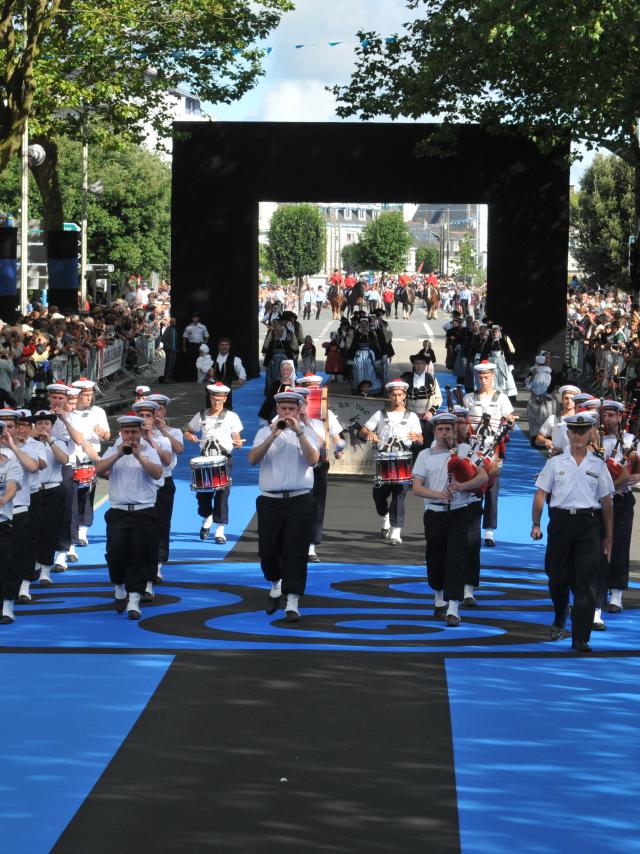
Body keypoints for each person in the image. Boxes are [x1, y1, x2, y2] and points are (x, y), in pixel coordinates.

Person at [531, 412, 614, 652]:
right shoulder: (555, 463)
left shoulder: (598, 465)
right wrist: (535, 524)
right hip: (560, 524)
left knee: (585, 584)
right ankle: (560, 615)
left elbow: (607, 503)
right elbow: (540, 494)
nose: (578, 436)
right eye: (574, 432)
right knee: (557, 579)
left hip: (589, 525)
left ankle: (580, 638)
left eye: (583, 431)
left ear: (590, 434)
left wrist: (609, 537)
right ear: (567, 434)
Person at [248, 390, 319, 622]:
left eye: (291, 409)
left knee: (296, 551)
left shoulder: (308, 432)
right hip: (270, 500)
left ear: (299, 410)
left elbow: (312, 460)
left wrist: (299, 432)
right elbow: (252, 460)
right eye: (283, 409)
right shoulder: (263, 432)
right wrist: (273, 435)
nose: (287, 413)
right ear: (277, 410)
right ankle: (276, 583)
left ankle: (293, 600)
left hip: (300, 498)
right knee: (268, 552)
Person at [412, 412, 488, 626]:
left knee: (456, 558)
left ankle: (453, 607)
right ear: (434, 432)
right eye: (440, 429)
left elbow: (483, 475)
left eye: (448, 429)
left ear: (454, 431)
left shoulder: (464, 450)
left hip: (459, 511)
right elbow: (417, 487)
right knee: (435, 558)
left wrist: (463, 487)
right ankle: (438, 598)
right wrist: (439, 494)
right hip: (435, 513)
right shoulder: (425, 455)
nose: (445, 433)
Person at [95, 414, 162, 619]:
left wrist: (138, 455)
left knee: (139, 555)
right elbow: (98, 469)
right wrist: (119, 454)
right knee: (115, 553)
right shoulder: (113, 449)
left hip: (143, 511)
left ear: (141, 432)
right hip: (118, 511)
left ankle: (134, 599)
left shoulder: (150, 450)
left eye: (134, 432)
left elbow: (157, 473)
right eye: (126, 432)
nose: (130, 436)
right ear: (121, 433)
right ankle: (119, 586)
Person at [593, 400, 640, 628]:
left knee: (619, 546)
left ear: (620, 417)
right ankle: (595, 597)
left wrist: (636, 476)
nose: (608, 419)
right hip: (597, 501)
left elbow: (637, 469)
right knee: (598, 548)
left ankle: (616, 595)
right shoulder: (595, 439)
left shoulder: (630, 441)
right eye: (605, 415)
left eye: (612, 415)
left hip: (621, 500)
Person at [359, 379, 423, 544]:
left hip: (403, 460)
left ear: (405, 396)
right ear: (389, 396)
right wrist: (369, 434)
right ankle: (385, 515)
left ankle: (396, 531)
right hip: (384, 459)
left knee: (399, 496)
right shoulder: (380, 415)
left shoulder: (412, 416)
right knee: (378, 495)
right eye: (393, 394)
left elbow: (421, 439)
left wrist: (417, 437)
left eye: (399, 395)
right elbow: (363, 430)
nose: (396, 397)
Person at [184, 382, 244, 543]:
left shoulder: (232, 417)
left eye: (219, 399)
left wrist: (238, 443)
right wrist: (190, 436)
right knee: (203, 495)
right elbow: (188, 431)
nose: (216, 402)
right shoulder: (201, 415)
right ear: (209, 398)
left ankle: (220, 530)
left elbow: (237, 439)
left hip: (224, 459)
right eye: (213, 399)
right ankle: (207, 517)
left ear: (225, 399)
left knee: (222, 494)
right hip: (204, 459)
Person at [463, 361, 515, 546]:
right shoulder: (468, 398)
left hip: (493, 449)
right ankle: (472, 524)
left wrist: (510, 423)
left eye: (487, 376)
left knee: (492, 489)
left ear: (493, 376)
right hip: (473, 449)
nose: (483, 380)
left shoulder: (502, 398)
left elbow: (510, 422)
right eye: (481, 377)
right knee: (472, 486)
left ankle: (489, 531)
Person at [296, 374, 346, 562]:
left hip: (318, 464)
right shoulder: (285, 412)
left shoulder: (326, 414)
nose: (312, 392)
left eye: (316, 388)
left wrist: (339, 448)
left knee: (316, 504)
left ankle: (311, 546)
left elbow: (337, 438)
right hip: (294, 464)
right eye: (308, 389)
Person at [7, 409, 45, 606]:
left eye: (11, 427)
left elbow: (33, 467)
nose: (7, 430)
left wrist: (13, 447)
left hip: (21, 508)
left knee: (22, 551)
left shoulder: (28, 448)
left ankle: (23, 586)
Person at [145, 393, 184, 581]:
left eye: (160, 408)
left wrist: (161, 428)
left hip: (165, 481)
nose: (157, 412)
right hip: (143, 482)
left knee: (161, 524)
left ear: (165, 410)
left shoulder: (174, 431)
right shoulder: (139, 431)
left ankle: (158, 565)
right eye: (153, 410)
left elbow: (179, 449)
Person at [30, 410, 69, 588]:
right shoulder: (29, 444)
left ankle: (46, 569)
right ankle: (35, 565)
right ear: (34, 426)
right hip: (35, 491)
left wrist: (50, 442)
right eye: (39, 424)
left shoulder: (59, 442)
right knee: (34, 531)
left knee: (50, 530)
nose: (43, 427)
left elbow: (64, 460)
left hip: (54, 490)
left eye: (46, 423)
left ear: (52, 427)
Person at [70, 377, 110, 546]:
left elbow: (107, 437)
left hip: (93, 457)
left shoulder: (98, 412)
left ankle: (83, 531)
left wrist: (102, 433)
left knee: (88, 495)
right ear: (77, 395)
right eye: (85, 394)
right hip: (73, 456)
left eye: (90, 394)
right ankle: (71, 532)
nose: (88, 398)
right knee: (72, 496)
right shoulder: (69, 412)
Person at [0, 420, 23, 625]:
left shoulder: (10, 464)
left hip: (2, 524)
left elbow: (12, 487)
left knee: (6, 566)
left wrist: (3, 500)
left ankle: (7, 604)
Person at [403, 353, 443, 451]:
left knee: (427, 444)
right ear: (413, 364)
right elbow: (403, 399)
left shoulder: (432, 379)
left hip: (427, 418)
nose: (419, 365)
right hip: (411, 418)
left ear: (426, 365)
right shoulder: (407, 379)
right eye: (417, 363)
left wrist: (431, 411)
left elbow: (438, 398)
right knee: (411, 443)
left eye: (422, 363)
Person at [534, 384, 579, 454]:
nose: (569, 401)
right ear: (562, 399)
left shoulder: (580, 420)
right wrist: (545, 441)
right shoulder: (553, 419)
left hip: (575, 457)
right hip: (556, 456)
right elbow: (538, 439)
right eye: (566, 398)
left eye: (572, 399)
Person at [211, 337, 247, 411]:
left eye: (226, 345)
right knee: (212, 409)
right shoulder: (211, 359)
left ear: (229, 346)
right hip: (212, 389)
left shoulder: (235, 359)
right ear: (218, 347)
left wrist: (241, 379)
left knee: (227, 410)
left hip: (227, 390)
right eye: (222, 345)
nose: (224, 347)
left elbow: (241, 371)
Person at [182, 312, 210, 378]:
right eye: (194, 317)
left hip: (200, 345)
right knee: (192, 361)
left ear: (198, 318)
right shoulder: (188, 327)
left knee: (202, 360)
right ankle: (194, 376)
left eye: (196, 317)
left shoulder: (203, 326)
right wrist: (184, 347)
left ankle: (202, 376)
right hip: (191, 345)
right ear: (192, 318)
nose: (195, 318)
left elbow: (207, 335)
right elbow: (184, 337)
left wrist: (205, 342)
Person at [160, 317, 177, 383]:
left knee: (172, 364)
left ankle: (170, 377)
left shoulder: (174, 330)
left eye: (175, 322)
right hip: (169, 349)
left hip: (174, 349)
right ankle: (166, 378)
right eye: (172, 322)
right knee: (168, 364)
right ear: (170, 323)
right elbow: (163, 339)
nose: (174, 323)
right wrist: (168, 347)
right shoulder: (168, 329)